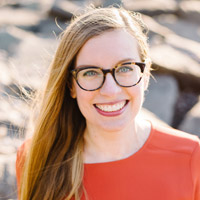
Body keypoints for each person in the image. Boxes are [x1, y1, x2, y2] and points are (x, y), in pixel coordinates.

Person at [16, 7, 200, 200]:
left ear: (145, 75)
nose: (110, 91)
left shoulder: (190, 157)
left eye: (125, 68)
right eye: (90, 73)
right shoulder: (36, 159)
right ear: (70, 85)